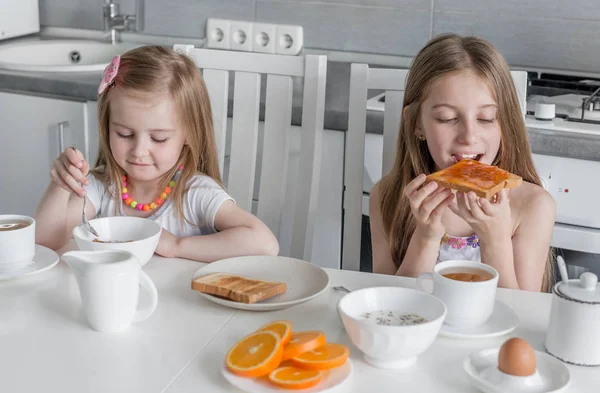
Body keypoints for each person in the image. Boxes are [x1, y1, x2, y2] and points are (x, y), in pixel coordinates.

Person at [35, 46, 279, 262]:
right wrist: (59, 187)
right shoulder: (103, 186)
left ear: (189, 136)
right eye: (124, 134)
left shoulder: (195, 194)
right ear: (107, 126)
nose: (139, 151)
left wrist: (176, 245)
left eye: (159, 138)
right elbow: (46, 243)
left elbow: (265, 244)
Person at [369, 34, 555, 292]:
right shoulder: (387, 197)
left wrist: (495, 241)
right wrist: (426, 237)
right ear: (417, 123)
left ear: (504, 124)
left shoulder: (533, 206)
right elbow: (391, 306)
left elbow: (521, 317)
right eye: (447, 118)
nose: (469, 137)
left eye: (486, 118)